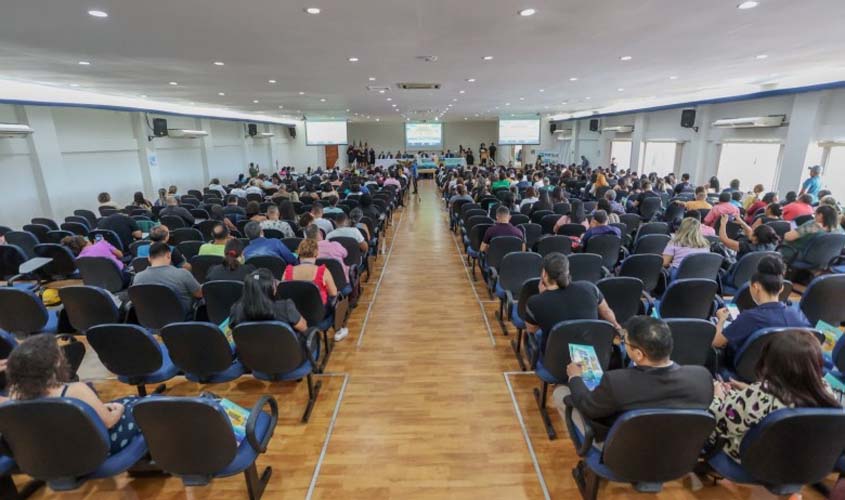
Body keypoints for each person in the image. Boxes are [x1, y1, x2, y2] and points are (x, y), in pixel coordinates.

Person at [558, 316, 713, 442]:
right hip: (678, 454)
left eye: (625, 342)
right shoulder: (702, 377)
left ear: (639, 354)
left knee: (560, 393)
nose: (624, 345)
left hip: (623, 452)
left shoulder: (616, 382)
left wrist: (575, 377)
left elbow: (587, 407)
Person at [709, 328, 838, 462]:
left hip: (755, 461)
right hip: (800, 460)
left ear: (771, 360)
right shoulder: (824, 388)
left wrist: (717, 397)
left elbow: (720, 423)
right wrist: (748, 390)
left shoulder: (761, 393)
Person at [5, 334, 142, 454]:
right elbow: (109, 422)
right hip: (93, 451)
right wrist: (119, 409)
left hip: (50, 453)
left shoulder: (14, 396)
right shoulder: (76, 390)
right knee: (140, 406)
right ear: (57, 362)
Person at [712, 256, 810, 356]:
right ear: (781, 288)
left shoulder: (749, 317)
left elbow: (716, 342)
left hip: (749, 370)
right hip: (786, 368)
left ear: (755, 286)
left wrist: (721, 320)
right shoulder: (798, 315)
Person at [525, 253, 623, 349]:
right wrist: (618, 328)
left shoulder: (534, 302)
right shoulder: (590, 288)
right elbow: (606, 312)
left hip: (555, 358)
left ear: (544, 274)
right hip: (592, 352)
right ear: (567, 272)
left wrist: (542, 296)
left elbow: (532, 331)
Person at [284, 238, 346, 340]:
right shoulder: (322, 271)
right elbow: (334, 293)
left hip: (294, 314)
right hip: (319, 315)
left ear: (298, 253)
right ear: (316, 254)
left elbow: (282, 293)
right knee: (338, 298)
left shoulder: (287, 271)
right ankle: (339, 329)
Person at [227, 268, 307, 332]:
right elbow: (304, 328)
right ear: (273, 289)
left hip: (250, 352)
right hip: (285, 351)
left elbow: (233, 330)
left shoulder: (236, 309)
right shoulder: (286, 307)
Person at [132, 242, 202, 314]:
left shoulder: (138, 278)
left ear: (149, 258)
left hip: (151, 319)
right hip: (181, 318)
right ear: (169, 255)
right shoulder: (183, 274)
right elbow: (199, 294)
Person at [780, 205, 845, 263]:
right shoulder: (840, 229)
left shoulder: (812, 225)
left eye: (815, 214)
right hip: (830, 258)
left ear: (820, 215)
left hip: (805, 257)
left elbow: (787, 237)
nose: (814, 216)